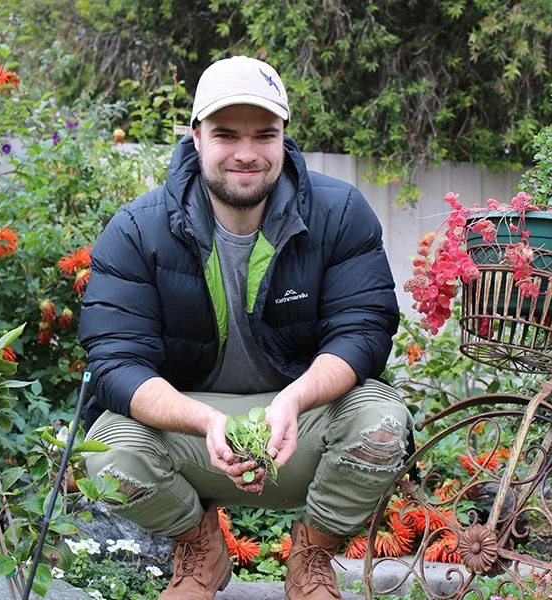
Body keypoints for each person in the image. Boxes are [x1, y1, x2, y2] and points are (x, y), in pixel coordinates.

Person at [78, 55, 412, 600]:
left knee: (380, 422)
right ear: (196, 136)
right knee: (108, 450)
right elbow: (115, 362)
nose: (246, 153)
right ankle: (200, 551)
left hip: (300, 424)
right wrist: (205, 420)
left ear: (285, 136)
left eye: (265, 134)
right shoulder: (137, 229)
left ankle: (311, 558)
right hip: (192, 432)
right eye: (226, 133)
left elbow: (364, 331)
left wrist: (293, 400)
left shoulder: (340, 212)